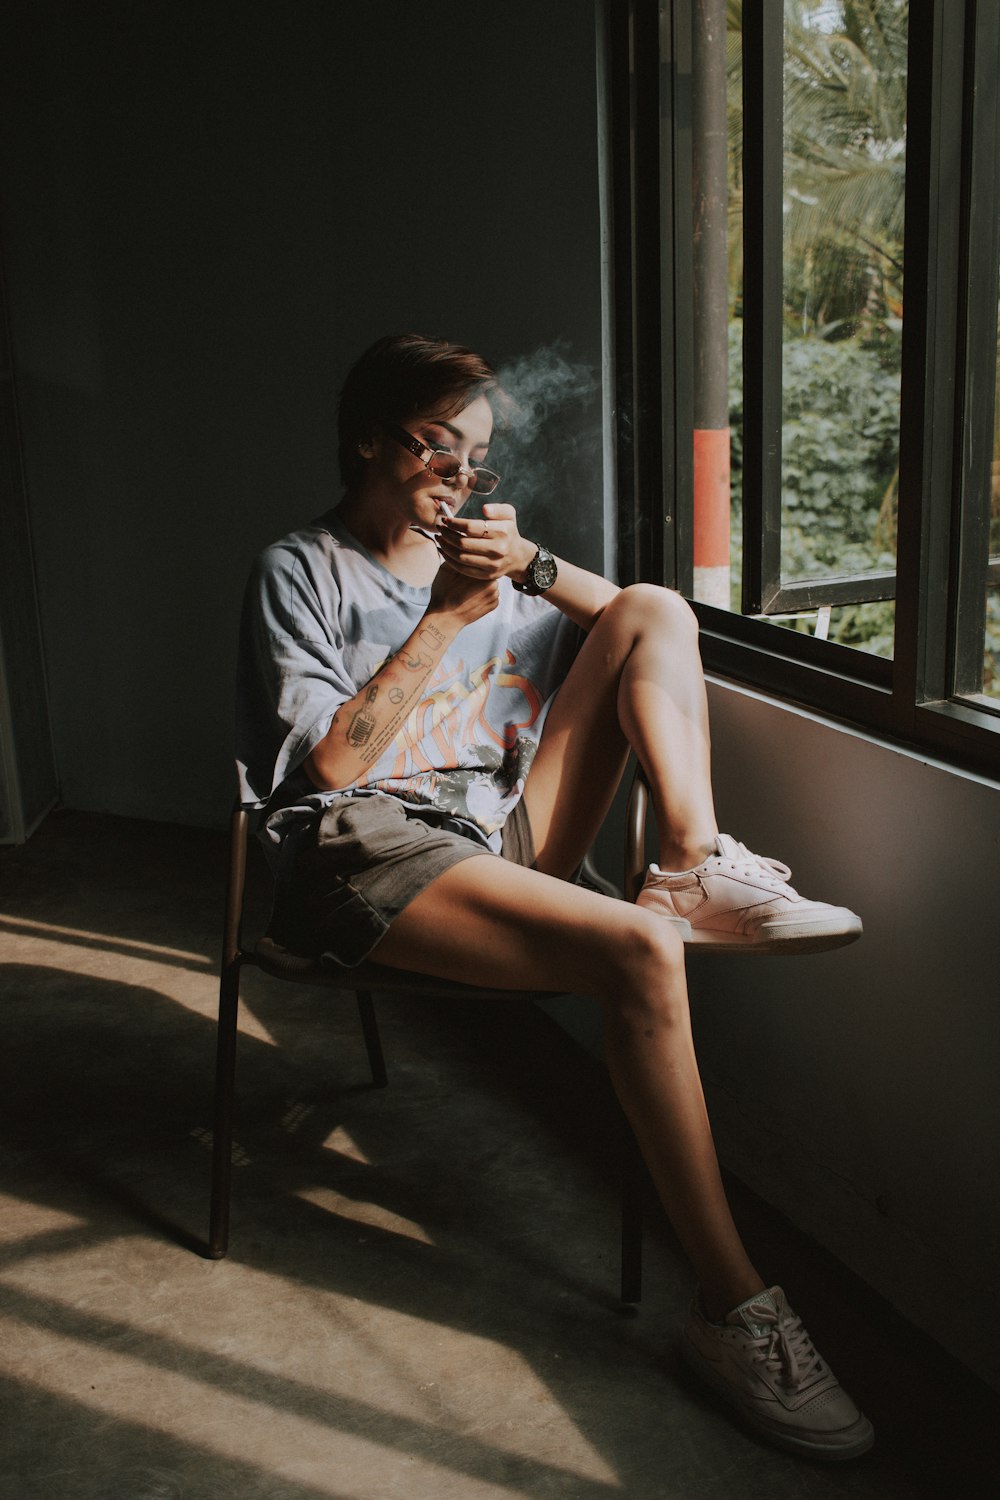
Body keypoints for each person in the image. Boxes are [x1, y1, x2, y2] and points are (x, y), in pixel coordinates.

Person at [236, 332, 873, 1461]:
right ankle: (738, 1310)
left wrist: (524, 566)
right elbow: (328, 771)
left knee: (657, 610)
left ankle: (688, 860)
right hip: (364, 845)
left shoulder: (490, 558)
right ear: (372, 440)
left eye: (478, 456)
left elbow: (631, 617)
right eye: (442, 446)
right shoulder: (302, 568)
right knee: (637, 953)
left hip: (495, 827)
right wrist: (441, 615)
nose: (463, 476)